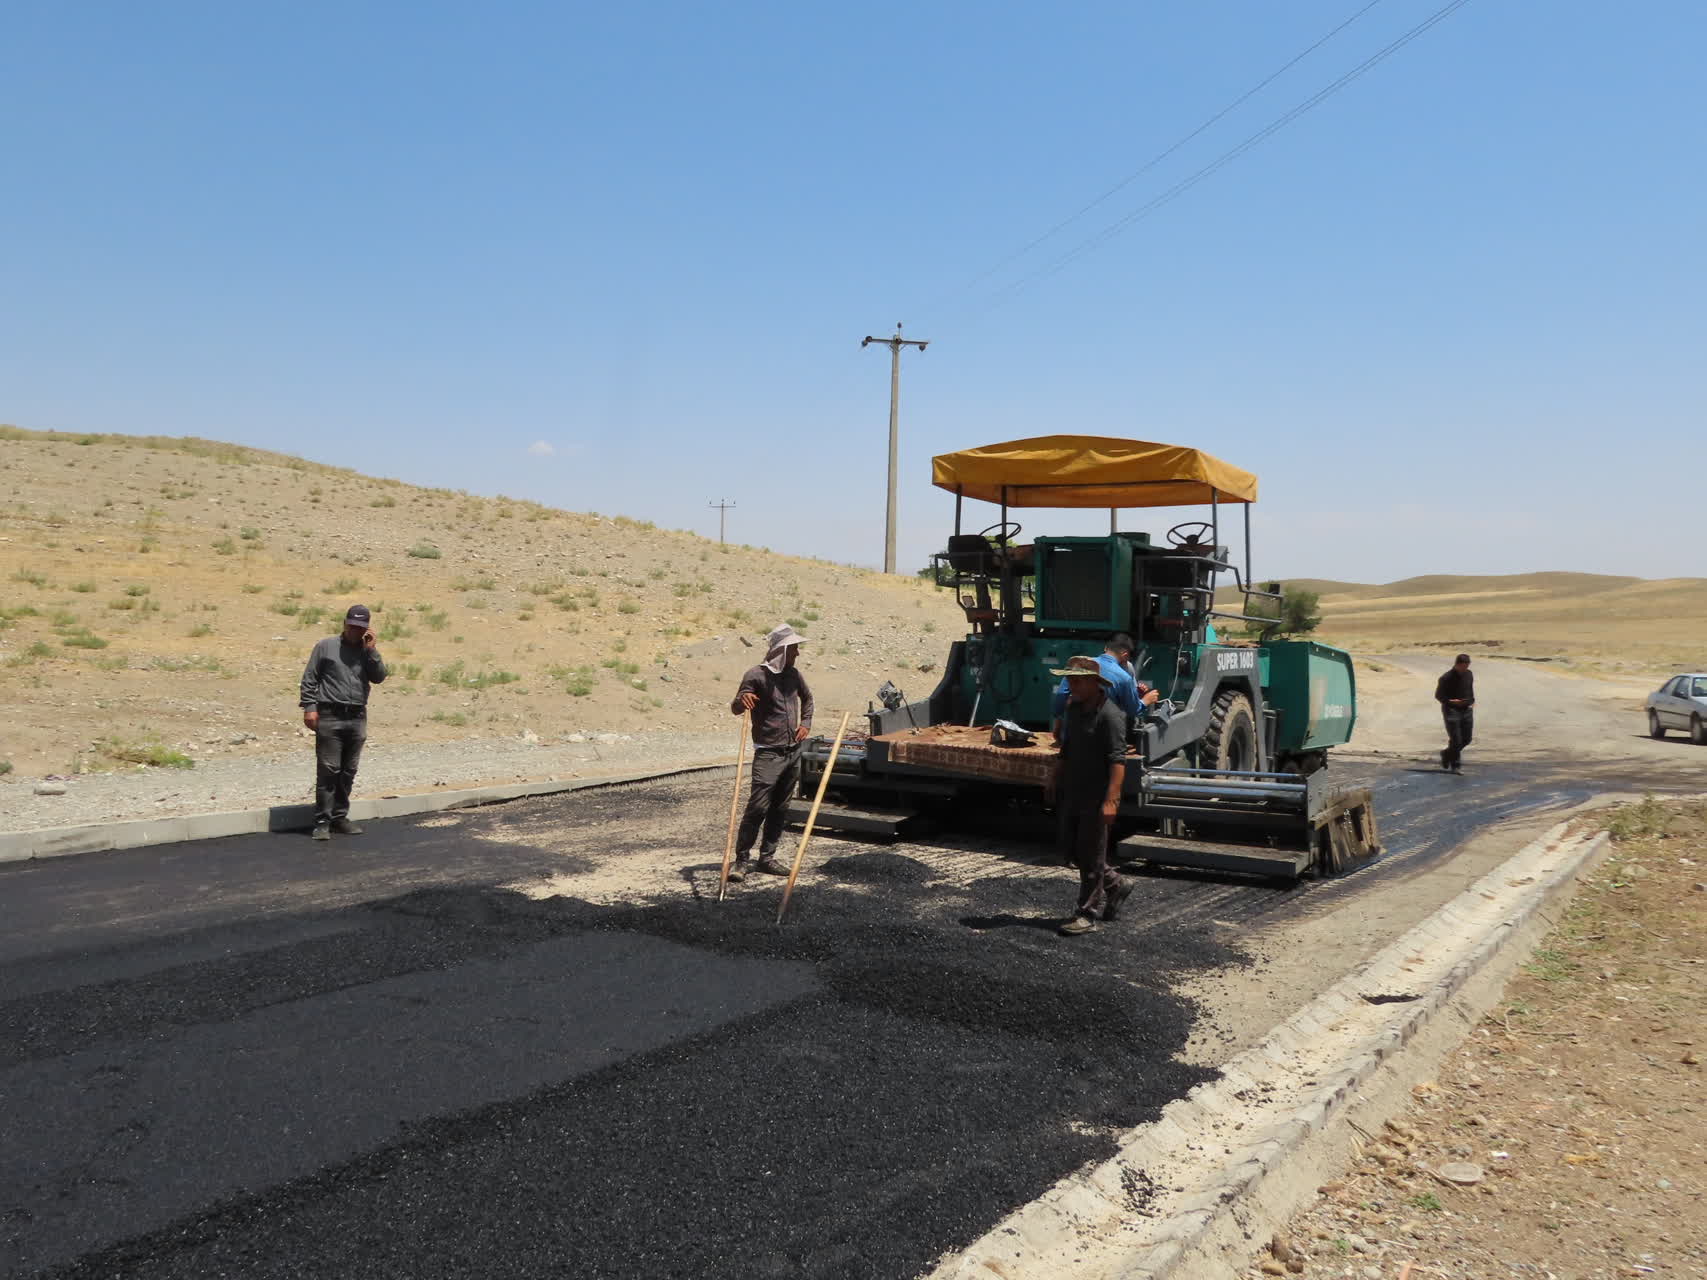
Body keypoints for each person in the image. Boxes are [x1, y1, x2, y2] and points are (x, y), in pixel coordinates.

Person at [1045, 656, 1133, 936]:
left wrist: (1111, 800)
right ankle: (1117, 884)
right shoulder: (1074, 709)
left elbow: (1118, 761)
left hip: (1096, 795)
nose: (1072, 686)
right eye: (1069, 680)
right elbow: (1067, 747)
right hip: (1074, 788)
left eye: (1078, 681)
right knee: (1074, 849)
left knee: (1092, 853)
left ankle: (1086, 914)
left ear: (1095, 683)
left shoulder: (1112, 716)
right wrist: (1053, 776)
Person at [728, 623, 814, 881]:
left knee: (781, 807)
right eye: (794, 648)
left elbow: (808, 699)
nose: (797, 653)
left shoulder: (794, 675)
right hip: (768, 754)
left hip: (792, 752)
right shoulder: (755, 675)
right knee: (757, 807)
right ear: (782, 650)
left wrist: (805, 724)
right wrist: (741, 702)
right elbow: (735, 707)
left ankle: (767, 858)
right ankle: (741, 861)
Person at [299, 604, 387, 841]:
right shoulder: (326, 646)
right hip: (330, 715)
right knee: (329, 770)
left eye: (360, 628)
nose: (355, 631)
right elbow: (310, 678)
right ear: (344, 624)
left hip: (357, 717)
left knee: (348, 770)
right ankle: (322, 821)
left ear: (367, 629)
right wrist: (310, 708)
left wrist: (372, 652)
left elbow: (379, 677)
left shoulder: (366, 651)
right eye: (352, 626)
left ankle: (340, 818)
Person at [1050, 633, 1142, 739]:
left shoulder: (1080, 666)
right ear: (1125, 655)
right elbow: (1133, 710)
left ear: (1105, 648)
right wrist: (1145, 701)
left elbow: (1061, 696)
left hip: (1073, 735)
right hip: (1104, 737)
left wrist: (1058, 722)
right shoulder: (1124, 678)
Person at [1435, 652, 1475, 774]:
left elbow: (1470, 689)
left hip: (1466, 709)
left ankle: (1446, 753)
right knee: (1456, 740)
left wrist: (1472, 701)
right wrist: (1451, 702)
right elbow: (1438, 695)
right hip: (1451, 710)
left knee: (1467, 739)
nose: (1465, 668)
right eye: (1463, 666)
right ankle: (1455, 765)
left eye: (1467, 666)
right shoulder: (1446, 677)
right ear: (1457, 664)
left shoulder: (1469, 674)